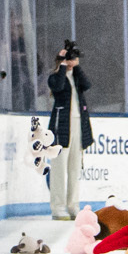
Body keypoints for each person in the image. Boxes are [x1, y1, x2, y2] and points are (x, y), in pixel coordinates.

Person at [45, 41, 93, 219]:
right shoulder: (56, 76)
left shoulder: (77, 78)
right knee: (59, 169)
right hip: (61, 127)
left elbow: (87, 85)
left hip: (79, 124)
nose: (73, 60)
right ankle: (57, 207)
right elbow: (57, 86)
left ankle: (73, 206)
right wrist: (63, 65)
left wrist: (77, 68)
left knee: (74, 168)